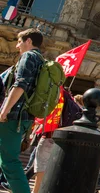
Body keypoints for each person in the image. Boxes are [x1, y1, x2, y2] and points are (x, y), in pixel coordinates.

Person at [0, 28, 45, 193]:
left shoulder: (28, 56)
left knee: (9, 161)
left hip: (14, 116)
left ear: (29, 41)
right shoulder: (41, 59)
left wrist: (5, 111)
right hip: (24, 116)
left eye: (19, 41)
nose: (17, 46)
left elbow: (20, 84)